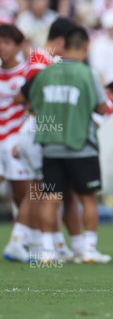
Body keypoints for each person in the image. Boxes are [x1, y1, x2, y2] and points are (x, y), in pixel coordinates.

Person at [28, 26, 110, 264]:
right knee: (87, 198)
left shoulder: (46, 73)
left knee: (50, 197)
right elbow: (102, 108)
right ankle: (89, 250)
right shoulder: (87, 73)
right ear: (85, 47)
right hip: (81, 146)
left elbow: (32, 105)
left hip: (51, 146)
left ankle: (46, 251)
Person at [0, 24, 32, 262]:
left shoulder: (27, 74)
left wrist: (25, 139)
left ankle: (20, 241)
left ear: (19, 46)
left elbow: (33, 109)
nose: (2, 47)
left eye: (8, 42)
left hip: (13, 143)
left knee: (22, 196)